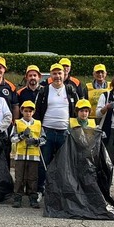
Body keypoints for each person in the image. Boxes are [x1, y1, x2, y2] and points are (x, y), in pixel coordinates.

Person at [35, 63, 79, 195]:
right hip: (47, 131)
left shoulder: (71, 90)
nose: (57, 76)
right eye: (54, 73)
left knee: (64, 163)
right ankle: (40, 190)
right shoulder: (44, 90)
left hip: (64, 132)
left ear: (64, 74)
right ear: (50, 75)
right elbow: (37, 112)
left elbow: (77, 110)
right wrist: (39, 130)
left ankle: (62, 190)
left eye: (59, 73)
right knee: (44, 163)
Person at [10, 100, 45, 208]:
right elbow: (12, 138)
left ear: (33, 112)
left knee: (33, 178)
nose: (28, 113)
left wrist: (36, 141)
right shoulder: (18, 123)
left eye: (30, 111)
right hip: (20, 155)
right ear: (21, 111)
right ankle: (17, 198)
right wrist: (22, 136)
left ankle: (33, 198)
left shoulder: (38, 124)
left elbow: (44, 139)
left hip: (34, 156)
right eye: (26, 111)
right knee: (19, 178)